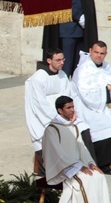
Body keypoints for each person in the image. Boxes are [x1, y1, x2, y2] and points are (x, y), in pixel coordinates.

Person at [25, 48, 95, 176]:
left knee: (83, 128)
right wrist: (59, 119)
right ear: (49, 61)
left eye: (63, 59)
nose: (62, 62)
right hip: (45, 119)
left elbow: (70, 95)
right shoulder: (38, 78)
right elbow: (40, 105)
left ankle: (88, 164)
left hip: (63, 115)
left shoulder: (62, 75)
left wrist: (72, 112)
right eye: (58, 60)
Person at [42, 95, 110, 203]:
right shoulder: (52, 129)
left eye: (73, 107)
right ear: (60, 110)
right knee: (85, 180)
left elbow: (82, 148)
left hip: (78, 164)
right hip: (62, 167)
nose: (72, 110)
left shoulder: (73, 127)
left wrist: (90, 163)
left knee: (99, 176)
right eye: (69, 107)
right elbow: (56, 154)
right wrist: (79, 167)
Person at [72, 41, 111, 173]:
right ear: (90, 51)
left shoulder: (105, 66)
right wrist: (106, 90)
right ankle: (103, 163)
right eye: (96, 52)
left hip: (102, 105)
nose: (99, 56)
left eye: (102, 53)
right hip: (87, 107)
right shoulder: (83, 70)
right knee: (104, 124)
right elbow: (87, 94)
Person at [42, 0, 98, 77]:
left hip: (81, 32)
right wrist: (79, 17)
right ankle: (63, 87)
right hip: (69, 30)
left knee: (79, 68)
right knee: (65, 66)